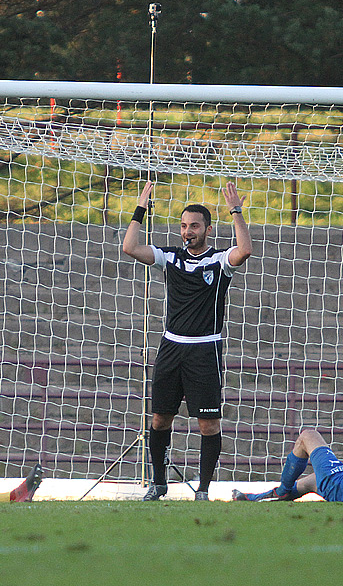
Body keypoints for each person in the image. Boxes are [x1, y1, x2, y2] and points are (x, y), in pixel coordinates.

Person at [122, 180, 253, 501]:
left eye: (194, 225)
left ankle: (204, 490)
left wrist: (237, 212)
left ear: (207, 229)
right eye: (183, 226)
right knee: (160, 418)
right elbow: (129, 248)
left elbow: (245, 250)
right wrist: (140, 209)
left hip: (204, 351)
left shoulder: (219, 261)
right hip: (170, 348)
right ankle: (159, 484)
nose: (187, 231)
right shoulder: (172, 257)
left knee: (208, 425)